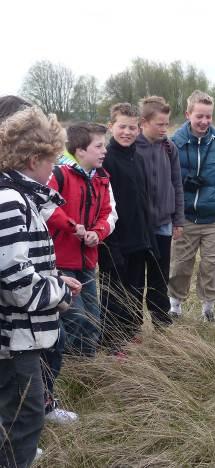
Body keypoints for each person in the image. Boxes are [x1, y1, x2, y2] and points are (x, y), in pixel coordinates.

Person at [0, 105, 80, 468]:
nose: (54, 170)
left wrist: (52, 279)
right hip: (14, 339)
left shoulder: (20, 196)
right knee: (24, 419)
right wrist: (60, 292)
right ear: (34, 160)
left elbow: (18, 266)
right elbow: (17, 286)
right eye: (52, 160)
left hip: (21, 336)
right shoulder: (11, 201)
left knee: (21, 417)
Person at [168, 91, 215, 321]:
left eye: (208, 117)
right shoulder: (173, 145)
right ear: (188, 114)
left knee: (211, 266)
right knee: (180, 266)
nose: (204, 121)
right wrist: (173, 214)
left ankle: (208, 309)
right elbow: (164, 181)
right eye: (199, 116)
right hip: (184, 219)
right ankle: (175, 307)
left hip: (214, 220)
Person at [46, 122, 113, 357]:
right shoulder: (58, 175)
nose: (105, 150)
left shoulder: (101, 178)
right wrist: (72, 227)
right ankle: (68, 368)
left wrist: (98, 232)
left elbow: (107, 211)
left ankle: (87, 369)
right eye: (99, 146)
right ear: (80, 150)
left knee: (92, 319)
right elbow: (47, 208)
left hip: (87, 262)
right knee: (76, 318)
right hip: (62, 263)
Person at [99, 103, 153, 355]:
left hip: (138, 239)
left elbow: (142, 201)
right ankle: (112, 342)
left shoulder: (138, 157)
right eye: (122, 126)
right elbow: (104, 206)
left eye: (133, 128)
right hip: (114, 241)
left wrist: (147, 238)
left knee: (134, 289)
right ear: (111, 127)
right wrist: (111, 244)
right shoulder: (106, 160)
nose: (127, 132)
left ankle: (131, 332)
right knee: (114, 293)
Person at [135, 96, 184, 330]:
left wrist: (178, 220)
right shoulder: (131, 146)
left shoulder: (169, 147)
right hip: (138, 227)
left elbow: (177, 184)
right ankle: (131, 327)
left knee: (159, 278)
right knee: (134, 280)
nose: (165, 129)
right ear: (144, 122)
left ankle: (162, 325)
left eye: (167, 124)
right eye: (160, 124)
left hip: (164, 224)